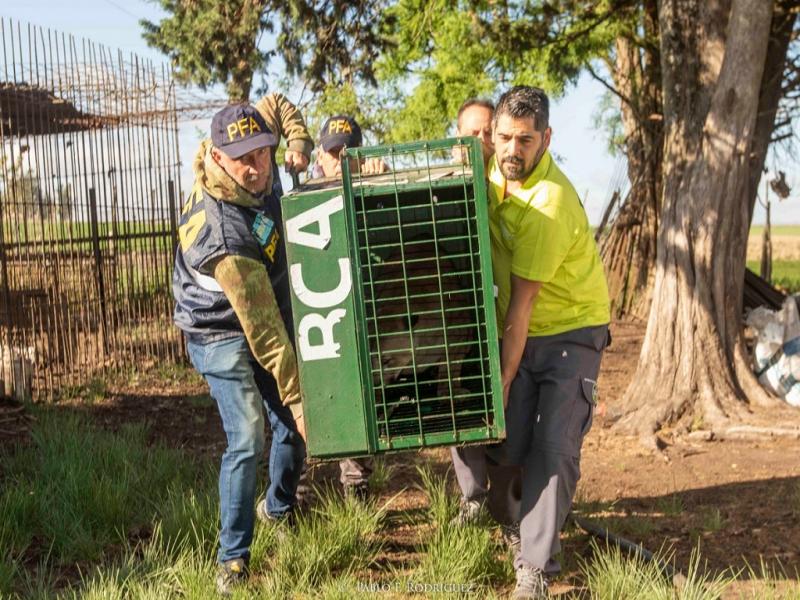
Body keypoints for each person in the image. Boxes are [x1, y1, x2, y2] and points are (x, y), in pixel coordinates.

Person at [172, 98, 312, 595]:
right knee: (251, 435)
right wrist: (296, 399)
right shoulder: (224, 233)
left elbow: (276, 104)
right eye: (243, 160)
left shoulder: (257, 151)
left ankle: (278, 508)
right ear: (215, 156)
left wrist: (296, 142)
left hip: (261, 305)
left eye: (263, 154)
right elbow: (266, 335)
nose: (257, 169)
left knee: (291, 431)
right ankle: (232, 560)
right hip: (217, 328)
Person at [486, 86, 610, 600]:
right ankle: (526, 526)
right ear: (491, 135)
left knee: (552, 449)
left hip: (569, 329)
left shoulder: (550, 203)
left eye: (526, 140)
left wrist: (503, 376)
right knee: (507, 441)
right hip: (522, 327)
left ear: (546, 140)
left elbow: (522, 305)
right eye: (505, 138)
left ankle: (533, 571)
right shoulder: (486, 171)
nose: (514, 150)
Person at [448, 98, 522, 539]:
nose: (478, 140)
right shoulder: (443, 182)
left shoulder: (506, 185)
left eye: (485, 132)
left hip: (503, 316)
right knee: (461, 412)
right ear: (456, 137)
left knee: (505, 412)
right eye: (469, 133)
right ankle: (471, 498)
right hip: (458, 319)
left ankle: (509, 508)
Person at [311, 115, 383, 500]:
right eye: (333, 152)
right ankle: (295, 493)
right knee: (314, 399)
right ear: (320, 155)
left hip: (362, 313)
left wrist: (379, 181)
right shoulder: (304, 197)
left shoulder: (373, 187)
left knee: (359, 397)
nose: (340, 159)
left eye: (349, 152)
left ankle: (356, 487)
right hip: (318, 314)